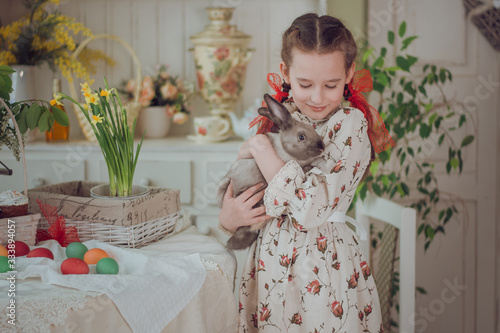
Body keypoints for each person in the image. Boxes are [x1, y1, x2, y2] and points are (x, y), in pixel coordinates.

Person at [219, 13, 394, 332]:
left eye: (330, 85)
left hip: (322, 273)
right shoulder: (284, 123)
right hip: (269, 271)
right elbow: (247, 191)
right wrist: (230, 219)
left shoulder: (349, 126)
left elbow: (310, 209)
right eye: (304, 84)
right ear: (285, 72)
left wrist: (262, 151)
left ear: (349, 73)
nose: (317, 97)